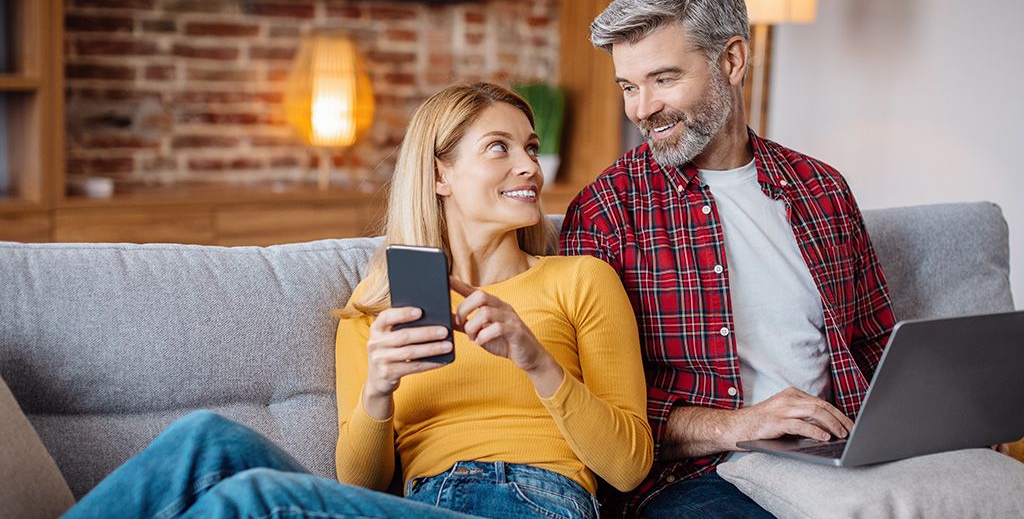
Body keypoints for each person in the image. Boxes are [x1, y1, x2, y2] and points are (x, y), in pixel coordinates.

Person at [64, 83, 653, 519]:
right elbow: (362, 485)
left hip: (534, 504)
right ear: (439, 176)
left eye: (530, 146)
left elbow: (628, 468)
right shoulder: (379, 315)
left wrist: (536, 360)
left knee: (249, 498)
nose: (529, 165)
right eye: (499, 148)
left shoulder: (581, 280)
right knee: (203, 441)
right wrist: (378, 390)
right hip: (418, 504)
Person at [560, 0, 897, 518]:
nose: (642, 109)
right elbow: (591, 413)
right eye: (628, 86)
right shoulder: (607, 213)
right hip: (697, 478)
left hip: (838, 458)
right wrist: (740, 425)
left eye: (664, 79)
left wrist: (945, 417)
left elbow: (874, 342)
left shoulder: (822, 189)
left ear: (732, 61)